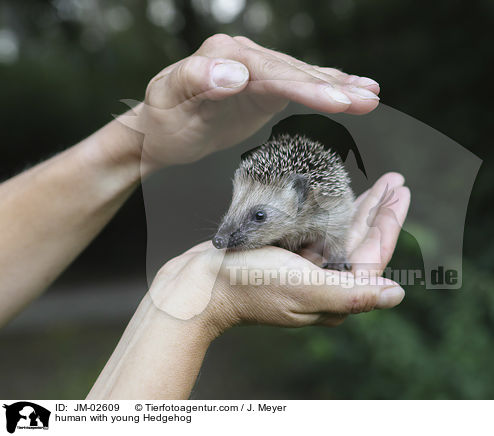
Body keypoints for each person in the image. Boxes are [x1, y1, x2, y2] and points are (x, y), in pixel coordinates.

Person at [0, 34, 410, 399]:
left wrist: (136, 141)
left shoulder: (326, 209)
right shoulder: (265, 204)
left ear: (302, 202)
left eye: (258, 216)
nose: (225, 235)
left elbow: (334, 234)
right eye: (237, 213)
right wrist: (205, 295)